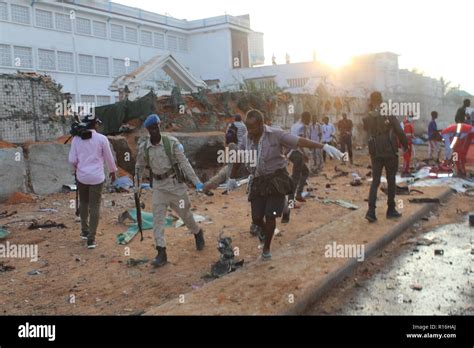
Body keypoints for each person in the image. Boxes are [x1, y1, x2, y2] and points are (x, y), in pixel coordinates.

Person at [227, 109, 343, 260]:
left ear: (261, 125)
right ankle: (265, 230)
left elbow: (298, 141)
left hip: (277, 180)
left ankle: (266, 248)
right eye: (248, 127)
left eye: (253, 127)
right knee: (256, 218)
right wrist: (232, 178)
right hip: (258, 181)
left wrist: (323, 147)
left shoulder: (276, 134)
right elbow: (239, 156)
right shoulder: (246, 138)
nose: (250, 131)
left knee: (271, 215)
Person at [135, 114, 205, 267]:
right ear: (148, 130)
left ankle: (197, 232)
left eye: (156, 127)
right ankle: (161, 252)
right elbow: (139, 167)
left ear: (159, 126)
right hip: (159, 188)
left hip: (175, 187)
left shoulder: (171, 143)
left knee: (185, 215)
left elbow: (184, 163)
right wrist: (136, 185)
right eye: (151, 128)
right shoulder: (144, 148)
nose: (154, 130)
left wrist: (197, 182)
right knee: (158, 220)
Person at [68, 115, 118, 249]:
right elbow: (109, 158)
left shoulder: (76, 139)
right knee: (95, 206)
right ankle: (91, 238)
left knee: (84, 203)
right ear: (95, 124)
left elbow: (72, 159)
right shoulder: (102, 139)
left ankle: (84, 231)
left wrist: (75, 171)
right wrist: (113, 171)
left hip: (82, 177)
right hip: (97, 178)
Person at [363, 92, 408, 223]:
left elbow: (366, 132)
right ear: (382, 100)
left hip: (375, 152)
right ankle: (391, 210)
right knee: (391, 180)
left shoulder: (368, 116)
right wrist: (405, 145)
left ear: (371, 101)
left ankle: (371, 211)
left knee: (375, 181)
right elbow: (399, 131)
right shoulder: (388, 113)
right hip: (390, 151)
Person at [288, 111, 311, 203]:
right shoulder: (302, 127)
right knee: (295, 178)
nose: (309, 121)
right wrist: (305, 154)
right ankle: (291, 200)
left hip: (292, 153)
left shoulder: (294, 125)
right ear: (305, 118)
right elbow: (300, 142)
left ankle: (298, 194)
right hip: (298, 153)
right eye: (309, 119)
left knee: (305, 172)